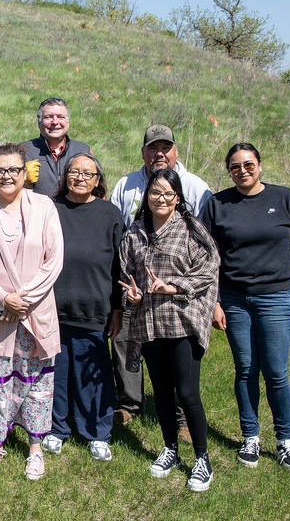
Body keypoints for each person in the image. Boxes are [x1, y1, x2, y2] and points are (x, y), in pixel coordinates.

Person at [202, 142, 290, 475]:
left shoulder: (284, 199)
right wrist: (216, 302)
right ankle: (250, 435)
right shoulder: (217, 204)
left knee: (277, 372)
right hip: (234, 299)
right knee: (246, 369)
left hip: (275, 298)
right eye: (235, 167)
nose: (243, 171)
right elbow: (206, 257)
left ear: (260, 165)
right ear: (229, 171)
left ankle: (285, 441)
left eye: (248, 164)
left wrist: (282, 265)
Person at [0, 143, 64, 481]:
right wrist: (3, 298)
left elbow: (53, 261)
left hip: (35, 312)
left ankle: (35, 448)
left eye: (14, 170)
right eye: (0, 170)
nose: (7, 176)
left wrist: (23, 300)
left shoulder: (44, 206)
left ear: (25, 173)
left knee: (35, 381)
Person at [119, 168, 220, 492]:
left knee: (187, 393)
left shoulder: (192, 230)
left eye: (167, 194)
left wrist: (173, 287)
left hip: (182, 324)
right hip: (148, 324)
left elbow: (208, 270)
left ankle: (202, 459)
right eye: (155, 193)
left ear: (177, 199)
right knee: (161, 392)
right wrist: (130, 295)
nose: (160, 199)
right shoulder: (134, 233)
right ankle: (170, 450)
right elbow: (124, 277)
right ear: (146, 197)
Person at [108, 124, 213, 439]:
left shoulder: (195, 186)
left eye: (165, 147)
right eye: (153, 148)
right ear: (143, 152)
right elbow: (118, 230)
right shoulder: (126, 185)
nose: (159, 153)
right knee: (125, 343)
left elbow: (207, 250)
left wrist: (185, 287)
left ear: (175, 151)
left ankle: (182, 418)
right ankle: (129, 403)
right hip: (136, 282)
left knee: (180, 360)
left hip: (180, 294)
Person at [42, 152, 122, 461]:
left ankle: (97, 432)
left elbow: (119, 267)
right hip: (52, 309)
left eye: (88, 174)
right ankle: (55, 428)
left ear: (98, 181)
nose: (80, 178)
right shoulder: (51, 209)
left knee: (94, 373)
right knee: (56, 372)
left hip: (94, 309)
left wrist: (117, 310)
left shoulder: (109, 214)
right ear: (64, 177)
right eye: (74, 172)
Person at [21, 97, 91, 197]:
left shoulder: (83, 151)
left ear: (68, 122)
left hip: (73, 211)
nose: (55, 122)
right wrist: (22, 179)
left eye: (60, 117)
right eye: (48, 117)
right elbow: (4, 190)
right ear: (39, 122)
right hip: (37, 212)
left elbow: (97, 191)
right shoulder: (23, 151)